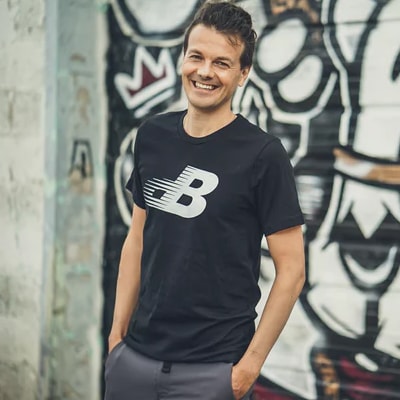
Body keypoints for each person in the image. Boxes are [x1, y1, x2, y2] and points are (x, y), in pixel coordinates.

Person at [105, 1, 305, 399]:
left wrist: (247, 369)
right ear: (183, 59)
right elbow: (137, 239)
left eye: (222, 63)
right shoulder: (152, 136)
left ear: (243, 73)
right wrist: (116, 339)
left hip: (213, 371)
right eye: (196, 56)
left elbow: (292, 271)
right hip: (135, 361)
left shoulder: (263, 155)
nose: (205, 71)